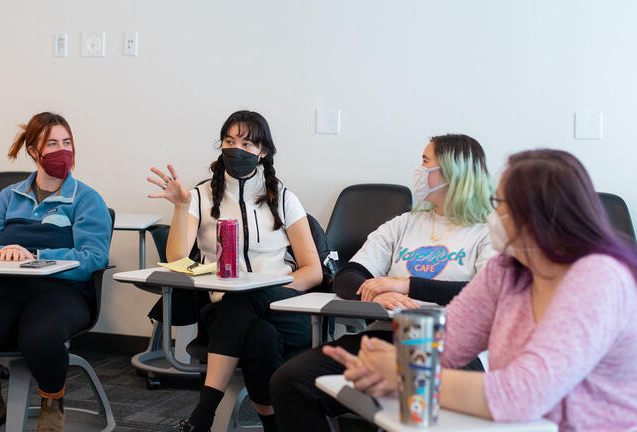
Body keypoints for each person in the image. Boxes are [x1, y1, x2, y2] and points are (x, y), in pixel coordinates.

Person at [327, 149, 637, 431]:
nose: (492, 217)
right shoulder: (506, 269)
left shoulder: (598, 278)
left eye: (499, 205)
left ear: (539, 215)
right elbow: (447, 343)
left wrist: (406, 374)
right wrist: (390, 360)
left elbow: (523, 394)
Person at [270, 134, 494, 431]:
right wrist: (374, 295)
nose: (419, 169)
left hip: (454, 346)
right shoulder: (404, 223)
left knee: (410, 408)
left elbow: (488, 293)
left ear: (453, 171)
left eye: (426, 162)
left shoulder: (489, 230)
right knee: (290, 381)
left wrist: (405, 285)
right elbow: (347, 277)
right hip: (387, 338)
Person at [146, 110, 322, 432]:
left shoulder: (283, 198)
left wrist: (268, 291)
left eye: (247, 143)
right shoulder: (200, 196)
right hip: (224, 312)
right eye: (229, 141)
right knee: (259, 336)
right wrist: (181, 208)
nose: (236, 149)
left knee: (245, 299)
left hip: (284, 308)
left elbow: (313, 271)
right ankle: (273, 425)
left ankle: (203, 414)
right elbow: (177, 258)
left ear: (263, 152)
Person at [0, 112, 112, 432]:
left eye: (67, 142)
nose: (63, 150)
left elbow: (94, 258)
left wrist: (35, 256)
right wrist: (4, 254)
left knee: (40, 338)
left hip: (64, 292)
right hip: (7, 289)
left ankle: (52, 407)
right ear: (34, 151)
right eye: (53, 143)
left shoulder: (86, 199)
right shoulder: (8, 197)